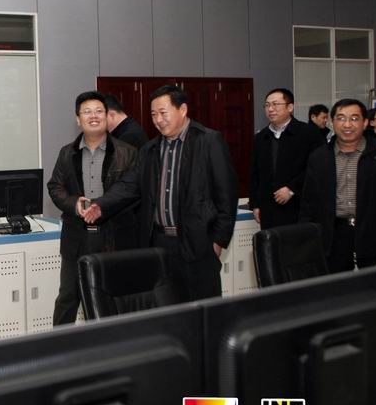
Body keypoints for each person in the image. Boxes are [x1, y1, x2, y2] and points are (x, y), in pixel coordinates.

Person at [82, 85, 237, 301]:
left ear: (182, 110)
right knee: (165, 309)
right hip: (159, 244)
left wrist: (218, 241)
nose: (158, 120)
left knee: (203, 312)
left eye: (163, 113)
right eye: (153, 114)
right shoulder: (150, 150)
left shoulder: (208, 141)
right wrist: (101, 204)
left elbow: (227, 196)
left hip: (197, 243)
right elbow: (129, 185)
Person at [47, 91, 138, 324]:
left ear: (107, 116)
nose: (94, 116)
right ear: (78, 119)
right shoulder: (67, 153)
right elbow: (55, 186)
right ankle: (61, 344)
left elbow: (133, 190)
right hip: (76, 237)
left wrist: (102, 207)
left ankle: (110, 343)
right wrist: (73, 204)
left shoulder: (127, 152)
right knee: (68, 297)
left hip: (114, 236)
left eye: (99, 111)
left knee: (112, 297)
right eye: (87, 112)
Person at [300, 99, 376, 273]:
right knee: (338, 288)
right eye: (341, 118)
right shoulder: (319, 157)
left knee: (375, 287)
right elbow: (308, 204)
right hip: (334, 238)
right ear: (332, 122)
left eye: (354, 119)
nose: (347, 124)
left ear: (365, 123)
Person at [248, 88, 324, 229]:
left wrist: (291, 189)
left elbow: (318, 168)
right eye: (267, 105)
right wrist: (255, 204)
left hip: (299, 207)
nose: (270, 109)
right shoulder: (261, 137)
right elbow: (255, 173)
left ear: (290, 107)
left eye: (275, 104)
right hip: (269, 209)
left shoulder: (309, 133)